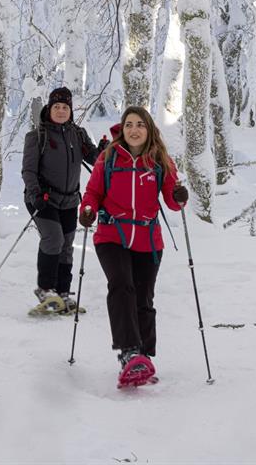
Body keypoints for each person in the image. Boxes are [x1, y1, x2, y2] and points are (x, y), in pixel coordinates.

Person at [78, 106, 189, 384]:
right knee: (121, 285)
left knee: (143, 297)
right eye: (129, 124)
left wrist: (178, 195)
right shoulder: (109, 157)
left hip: (147, 239)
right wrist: (88, 209)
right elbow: (93, 192)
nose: (134, 129)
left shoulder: (160, 161)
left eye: (140, 124)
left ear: (149, 129)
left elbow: (174, 203)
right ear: (123, 129)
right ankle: (129, 353)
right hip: (111, 234)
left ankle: (144, 356)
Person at [21, 87, 102, 313]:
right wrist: (35, 193)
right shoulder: (37, 136)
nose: (61, 110)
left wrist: (104, 151)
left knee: (67, 246)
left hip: (69, 200)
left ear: (70, 110)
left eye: (65, 107)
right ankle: (45, 289)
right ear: (49, 108)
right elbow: (28, 171)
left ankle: (63, 293)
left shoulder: (78, 134)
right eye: (56, 106)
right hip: (42, 199)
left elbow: (95, 159)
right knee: (54, 239)